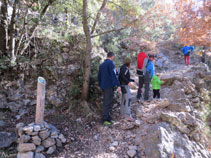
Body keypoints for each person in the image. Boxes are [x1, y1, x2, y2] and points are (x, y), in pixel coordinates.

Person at [98, 52, 121, 125]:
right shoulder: (110, 63)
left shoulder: (102, 65)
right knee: (108, 103)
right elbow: (113, 74)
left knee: (107, 102)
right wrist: (118, 85)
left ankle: (108, 119)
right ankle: (105, 120)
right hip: (109, 86)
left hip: (104, 86)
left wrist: (101, 85)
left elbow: (99, 76)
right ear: (112, 57)